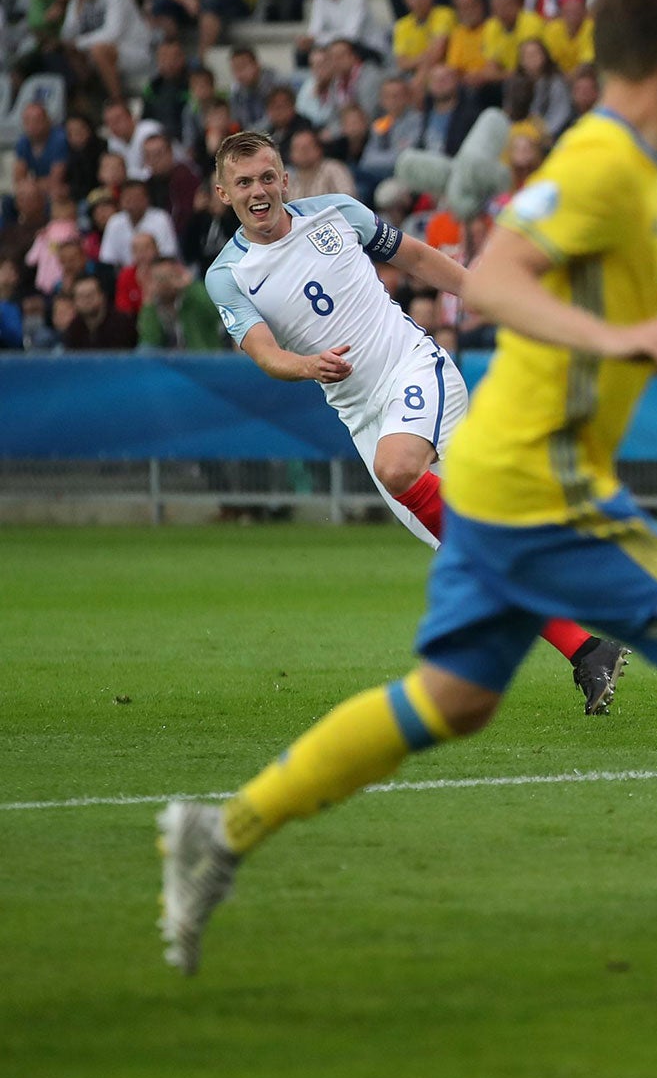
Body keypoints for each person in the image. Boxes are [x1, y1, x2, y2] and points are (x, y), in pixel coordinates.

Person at [158, 0, 657, 988]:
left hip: (475, 456)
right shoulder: (602, 164)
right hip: (534, 473)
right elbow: (496, 286)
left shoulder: (637, 171)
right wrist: (626, 345)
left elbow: (604, 317)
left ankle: (220, 833)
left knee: (450, 700)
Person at [197, 129, 627, 713]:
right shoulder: (228, 276)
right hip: (361, 416)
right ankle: (588, 650)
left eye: (267, 177)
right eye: (244, 182)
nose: (259, 190)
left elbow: (418, 257)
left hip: (414, 369)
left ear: (285, 181)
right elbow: (264, 351)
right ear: (224, 193)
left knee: (399, 468)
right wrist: (303, 365)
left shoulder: (336, 214)